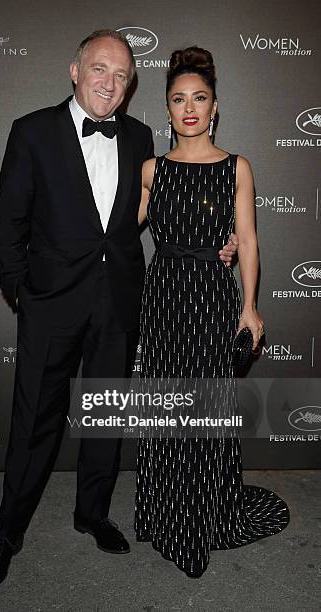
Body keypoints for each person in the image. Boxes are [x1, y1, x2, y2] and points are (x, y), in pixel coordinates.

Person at [0, 32, 238, 590]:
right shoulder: (32, 131)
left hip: (117, 299)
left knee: (104, 415)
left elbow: (148, 214)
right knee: (34, 422)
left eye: (121, 76)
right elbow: (8, 221)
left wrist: (212, 241)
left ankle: (92, 512)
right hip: (49, 303)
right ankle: (7, 533)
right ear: (75, 70)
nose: (110, 84)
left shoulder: (141, 136)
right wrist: (21, 291)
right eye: (100, 70)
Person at [134, 46, 290, 577]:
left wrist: (249, 307)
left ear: (215, 106)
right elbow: (118, 229)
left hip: (212, 300)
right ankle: (167, 515)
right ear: (168, 109)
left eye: (199, 98)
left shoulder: (236, 167)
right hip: (165, 299)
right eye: (179, 99)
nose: (190, 108)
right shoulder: (151, 169)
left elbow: (247, 241)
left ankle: (204, 514)